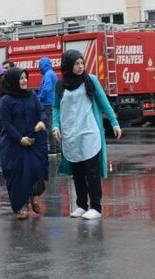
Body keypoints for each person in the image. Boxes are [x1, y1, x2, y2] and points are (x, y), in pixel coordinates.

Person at [52, 50, 122, 220]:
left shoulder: (90, 80)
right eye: (76, 63)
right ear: (68, 65)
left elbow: (103, 102)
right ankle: (81, 205)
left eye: (82, 63)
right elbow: (56, 107)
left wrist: (114, 122)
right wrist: (55, 126)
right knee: (77, 172)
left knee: (91, 170)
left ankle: (96, 207)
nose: (80, 66)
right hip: (70, 135)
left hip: (89, 132)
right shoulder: (60, 86)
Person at [0, 67, 48, 220]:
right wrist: (20, 139)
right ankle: (22, 205)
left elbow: (41, 111)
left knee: (36, 169)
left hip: (34, 140)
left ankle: (34, 196)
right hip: (14, 144)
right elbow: (7, 124)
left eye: (25, 77)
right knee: (18, 175)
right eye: (20, 78)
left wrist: (42, 122)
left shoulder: (32, 95)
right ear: (13, 81)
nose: (24, 80)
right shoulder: (5, 101)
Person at [37, 57, 60, 155]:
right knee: (54, 125)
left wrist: (39, 98)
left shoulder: (47, 75)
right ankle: (57, 147)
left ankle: (52, 147)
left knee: (48, 126)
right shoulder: (52, 73)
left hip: (47, 103)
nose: (39, 68)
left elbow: (47, 88)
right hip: (53, 102)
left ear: (43, 65)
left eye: (40, 66)